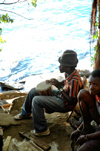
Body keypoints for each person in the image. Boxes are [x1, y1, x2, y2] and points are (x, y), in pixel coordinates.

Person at [14, 50, 83, 137]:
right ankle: (25, 113)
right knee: (33, 91)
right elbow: (66, 83)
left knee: (36, 100)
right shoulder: (70, 73)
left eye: (62, 65)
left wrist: (59, 87)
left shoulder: (75, 80)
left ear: (69, 67)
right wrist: (55, 82)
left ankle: (42, 130)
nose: (59, 67)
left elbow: (71, 102)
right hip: (62, 95)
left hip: (65, 104)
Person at [71, 69, 100, 151]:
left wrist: (86, 137)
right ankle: (87, 127)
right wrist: (79, 129)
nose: (91, 87)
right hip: (97, 119)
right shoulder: (96, 95)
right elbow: (91, 115)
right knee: (82, 93)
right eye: (90, 84)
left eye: (95, 85)